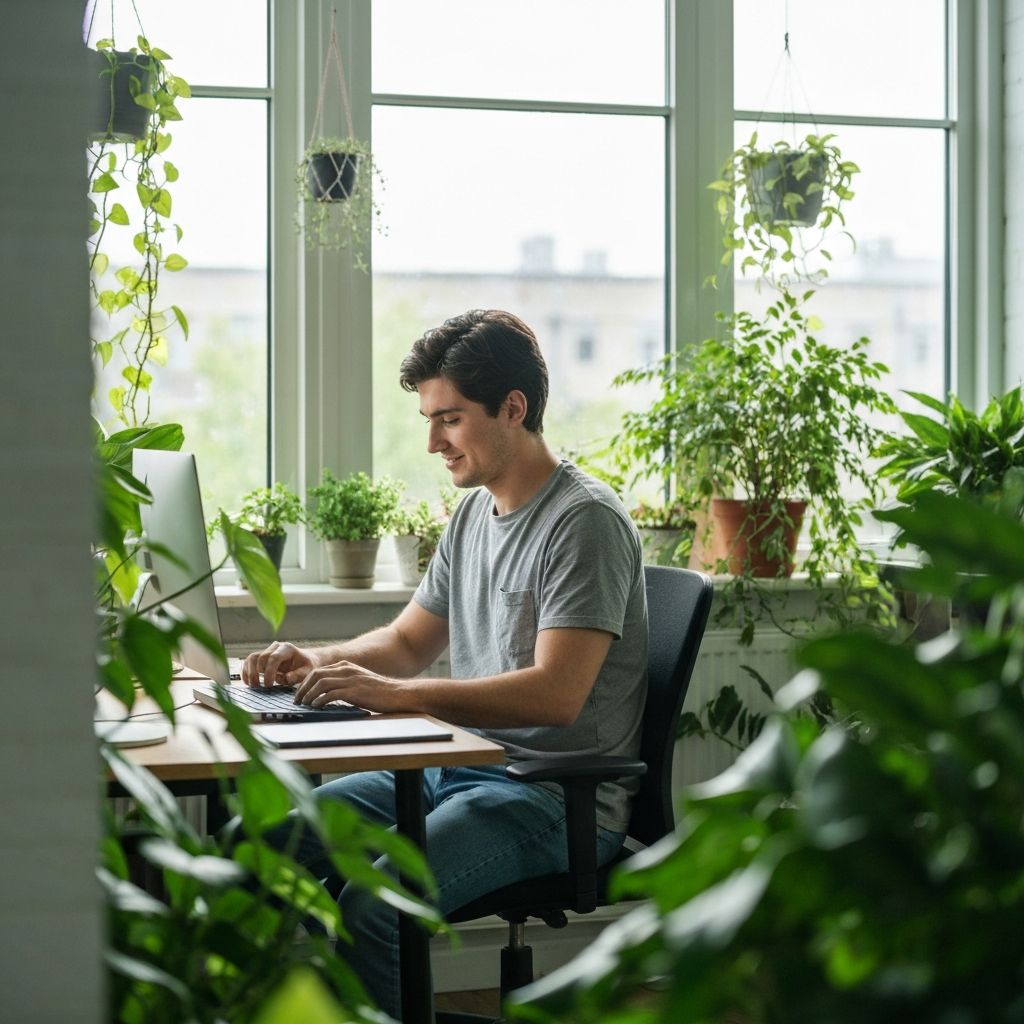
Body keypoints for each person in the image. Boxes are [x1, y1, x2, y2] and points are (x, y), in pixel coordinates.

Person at [242, 309, 648, 1018]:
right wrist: (318, 660)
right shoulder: (472, 515)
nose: (432, 442)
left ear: (513, 408)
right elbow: (406, 643)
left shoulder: (584, 522)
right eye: (429, 420)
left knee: (374, 906)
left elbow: (555, 696)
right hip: (455, 771)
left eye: (450, 420)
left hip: (551, 797)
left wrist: (399, 696)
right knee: (263, 846)